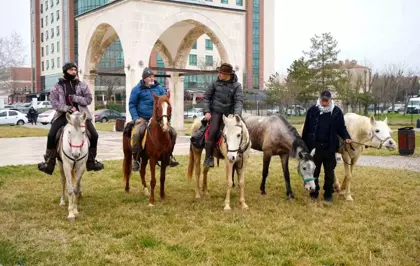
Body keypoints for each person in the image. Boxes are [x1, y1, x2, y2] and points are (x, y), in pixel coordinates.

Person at [37, 62, 104, 175]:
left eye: (75, 70)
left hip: (82, 116)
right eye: (71, 70)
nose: (74, 72)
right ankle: (49, 162)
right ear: (65, 71)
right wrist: (67, 108)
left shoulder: (82, 85)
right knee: (51, 135)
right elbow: (54, 103)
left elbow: (88, 99)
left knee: (95, 135)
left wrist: (75, 98)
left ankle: (92, 161)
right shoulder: (56, 86)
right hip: (63, 116)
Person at [302, 90, 352, 202]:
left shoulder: (336, 111)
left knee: (329, 172)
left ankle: (328, 193)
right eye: (322, 99)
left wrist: (346, 137)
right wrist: (304, 146)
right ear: (319, 99)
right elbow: (306, 129)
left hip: (329, 148)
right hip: (315, 148)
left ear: (330, 100)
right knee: (315, 171)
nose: (324, 102)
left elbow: (341, 128)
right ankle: (314, 192)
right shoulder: (312, 110)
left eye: (326, 100)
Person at [129, 67, 179, 171]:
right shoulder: (136, 90)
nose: (152, 78)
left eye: (152, 76)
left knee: (173, 133)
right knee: (137, 133)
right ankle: (136, 159)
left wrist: (166, 119)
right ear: (144, 78)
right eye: (149, 77)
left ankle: (169, 156)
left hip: (157, 119)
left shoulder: (159, 88)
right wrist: (135, 118)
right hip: (142, 118)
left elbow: (165, 103)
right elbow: (132, 105)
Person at [202, 63, 244, 168]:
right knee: (213, 131)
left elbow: (239, 101)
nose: (219, 74)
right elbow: (206, 97)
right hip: (216, 112)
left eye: (222, 73)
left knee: (241, 130)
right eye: (219, 72)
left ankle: (241, 153)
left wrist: (236, 115)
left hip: (230, 114)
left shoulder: (237, 86)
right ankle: (209, 158)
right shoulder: (214, 83)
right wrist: (207, 111)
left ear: (228, 75)